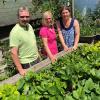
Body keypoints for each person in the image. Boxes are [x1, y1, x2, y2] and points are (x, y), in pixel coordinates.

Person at [9, 6, 40, 76]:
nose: (25, 19)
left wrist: (38, 55)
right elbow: (13, 53)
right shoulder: (15, 32)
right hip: (27, 63)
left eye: (27, 16)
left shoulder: (29, 26)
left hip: (36, 59)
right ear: (18, 17)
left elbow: (33, 43)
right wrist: (20, 69)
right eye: (22, 17)